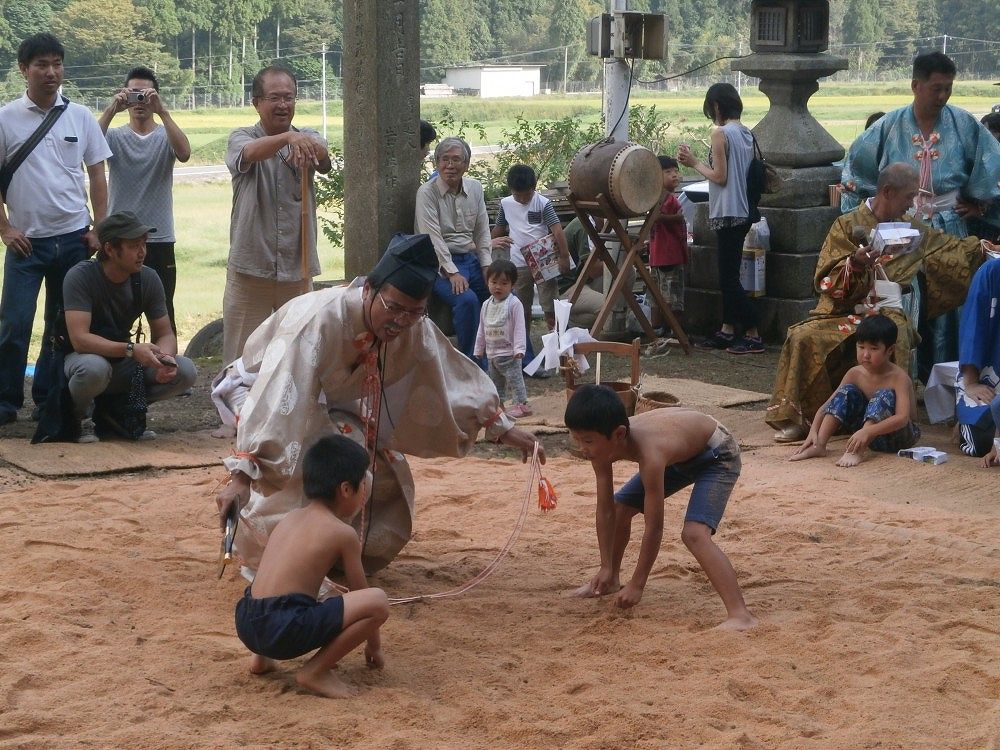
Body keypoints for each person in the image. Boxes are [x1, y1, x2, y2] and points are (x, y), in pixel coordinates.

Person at [214, 233, 545, 576]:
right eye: (395, 308)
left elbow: (450, 374)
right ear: (369, 289)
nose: (401, 321)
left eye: (415, 312)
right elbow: (279, 395)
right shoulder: (319, 321)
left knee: (376, 466)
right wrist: (243, 473)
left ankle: (338, 556)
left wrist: (502, 428)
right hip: (264, 396)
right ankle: (280, 562)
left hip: (329, 404)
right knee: (316, 464)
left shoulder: (411, 325)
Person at [766, 163, 995, 443]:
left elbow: (953, 249)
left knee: (895, 334)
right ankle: (802, 419)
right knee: (802, 336)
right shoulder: (847, 225)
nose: (912, 204)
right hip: (846, 312)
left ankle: (889, 420)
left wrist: (985, 248)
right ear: (887, 191)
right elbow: (824, 277)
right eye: (909, 197)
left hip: (890, 312)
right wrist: (855, 264)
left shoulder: (914, 229)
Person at [840, 52, 1000, 379]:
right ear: (916, 85)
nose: (942, 96)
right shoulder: (887, 126)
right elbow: (854, 174)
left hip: (948, 226)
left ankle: (949, 381)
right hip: (900, 228)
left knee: (953, 307)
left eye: (948, 89)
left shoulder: (965, 124)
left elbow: (992, 166)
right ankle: (903, 382)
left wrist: (980, 204)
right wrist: (871, 219)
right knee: (904, 299)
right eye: (936, 88)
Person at [564, 384, 756, 630]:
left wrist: (638, 583)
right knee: (621, 507)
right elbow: (606, 510)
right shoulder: (601, 442)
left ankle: (741, 615)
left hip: (717, 453)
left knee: (694, 534)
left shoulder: (650, 454)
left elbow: (654, 527)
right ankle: (610, 580)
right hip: (680, 453)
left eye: (587, 440)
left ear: (619, 434)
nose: (582, 447)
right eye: (576, 438)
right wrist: (605, 565)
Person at [0, 33, 111, 426]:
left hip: (75, 238)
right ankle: (5, 402)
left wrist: (99, 228)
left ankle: (50, 397)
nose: (51, 72)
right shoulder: (5, 118)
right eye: (42, 65)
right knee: (14, 323)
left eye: (57, 64)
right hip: (26, 243)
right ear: (23, 70)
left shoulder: (80, 116)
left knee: (61, 325)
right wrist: (5, 228)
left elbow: (97, 175)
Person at [234, 434, 389, 699]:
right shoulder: (342, 533)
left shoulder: (291, 517)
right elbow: (360, 593)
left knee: (281, 590)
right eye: (363, 485)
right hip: (283, 630)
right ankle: (315, 671)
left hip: (247, 621)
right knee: (378, 601)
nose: (364, 493)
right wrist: (373, 647)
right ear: (346, 489)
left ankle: (261, 660)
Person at [222, 65, 332, 368]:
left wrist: (308, 145)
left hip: (298, 268)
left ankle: (289, 415)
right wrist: (286, 140)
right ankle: (237, 415)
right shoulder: (241, 137)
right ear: (257, 102)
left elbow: (323, 154)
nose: (283, 105)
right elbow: (249, 154)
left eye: (289, 97)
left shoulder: (306, 137)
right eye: (274, 98)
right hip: (250, 267)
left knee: (298, 357)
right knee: (241, 361)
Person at [61, 212, 197, 442]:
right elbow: (80, 339)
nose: (142, 252)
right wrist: (132, 350)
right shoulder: (80, 276)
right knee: (93, 369)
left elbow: (165, 333)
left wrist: (164, 358)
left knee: (185, 370)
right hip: (82, 359)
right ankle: (80, 418)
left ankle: (126, 411)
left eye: (144, 244)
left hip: (123, 360)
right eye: (134, 246)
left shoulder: (148, 278)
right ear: (111, 249)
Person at [99, 65, 191, 334]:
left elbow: (184, 153)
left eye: (145, 95)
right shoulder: (115, 137)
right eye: (133, 94)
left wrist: (163, 111)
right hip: (119, 239)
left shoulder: (165, 136)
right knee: (111, 313)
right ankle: (117, 370)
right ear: (124, 96)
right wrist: (111, 110)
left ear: (156, 97)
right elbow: (87, 147)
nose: (139, 102)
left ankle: (166, 369)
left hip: (159, 237)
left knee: (163, 310)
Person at [677, 82, 764, 355]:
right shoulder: (747, 133)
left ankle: (754, 331)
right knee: (730, 272)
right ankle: (727, 329)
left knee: (727, 278)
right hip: (745, 210)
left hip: (727, 210)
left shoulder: (720, 134)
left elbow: (719, 176)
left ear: (716, 106)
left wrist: (693, 162)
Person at [790, 314, 920, 467]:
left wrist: (868, 432)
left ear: (889, 350)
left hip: (898, 436)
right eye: (861, 347)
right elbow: (828, 405)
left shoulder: (899, 377)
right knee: (847, 391)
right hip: (866, 434)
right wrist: (814, 432)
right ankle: (819, 446)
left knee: (883, 394)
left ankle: (856, 451)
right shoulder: (855, 373)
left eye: (873, 348)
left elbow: (902, 418)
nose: (866, 354)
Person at [415, 137, 492, 365]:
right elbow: (432, 238)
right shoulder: (426, 193)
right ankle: (472, 365)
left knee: (506, 296)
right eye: (445, 160)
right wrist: (451, 272)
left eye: (456, 160)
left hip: (471, 259)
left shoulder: (475, 188)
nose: (450, 165)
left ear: (466, 165)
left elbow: (482, 230)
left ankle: (522, 361)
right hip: (438, 264)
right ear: (436, 164)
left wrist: (487, 266)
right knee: (467, 300)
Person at [490, 164, 570, 361]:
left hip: (544, 261)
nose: (523, 199)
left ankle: (557, 347)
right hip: (519, 262)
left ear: (534, 188)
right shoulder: (506, 204)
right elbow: (499, 228)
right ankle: (523, 348)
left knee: (549, 304)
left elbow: (557, 230)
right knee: (521, 305)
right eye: (519, 195)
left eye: (527, 194)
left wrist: (564, 256)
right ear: (511, 191)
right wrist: (488, 244)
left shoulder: (543, 203)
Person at [954, 257, 1000, 464]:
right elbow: (973, 329)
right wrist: (971, 383)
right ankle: (963, 420)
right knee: (979, 442)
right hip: (987, 375)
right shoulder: (991, 272)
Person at [644, 156, 688, 357]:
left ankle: (674, 330)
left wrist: (660, 218)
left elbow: (679, 218)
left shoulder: (671, 200)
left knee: (672, 295)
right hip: (657, 255)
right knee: (656, 294)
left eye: (675, 171)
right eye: (668, 172)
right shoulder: (654, 199)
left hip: (672, 255)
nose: (674, 175)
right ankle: (658, 328)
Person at [474, 259, 530, 418]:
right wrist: (479, 348)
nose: (498, 286)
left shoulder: (514, 304)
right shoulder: (485, 304)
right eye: (494, 282)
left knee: (515, 380)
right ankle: (499, 405)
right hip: (492, 353)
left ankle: (522, 405)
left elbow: (520, 328)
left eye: (504, 283)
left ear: (512, 285)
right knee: (495, 382)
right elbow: (482, 328)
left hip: (509, 353)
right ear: (488, 282)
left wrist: (519, 349)